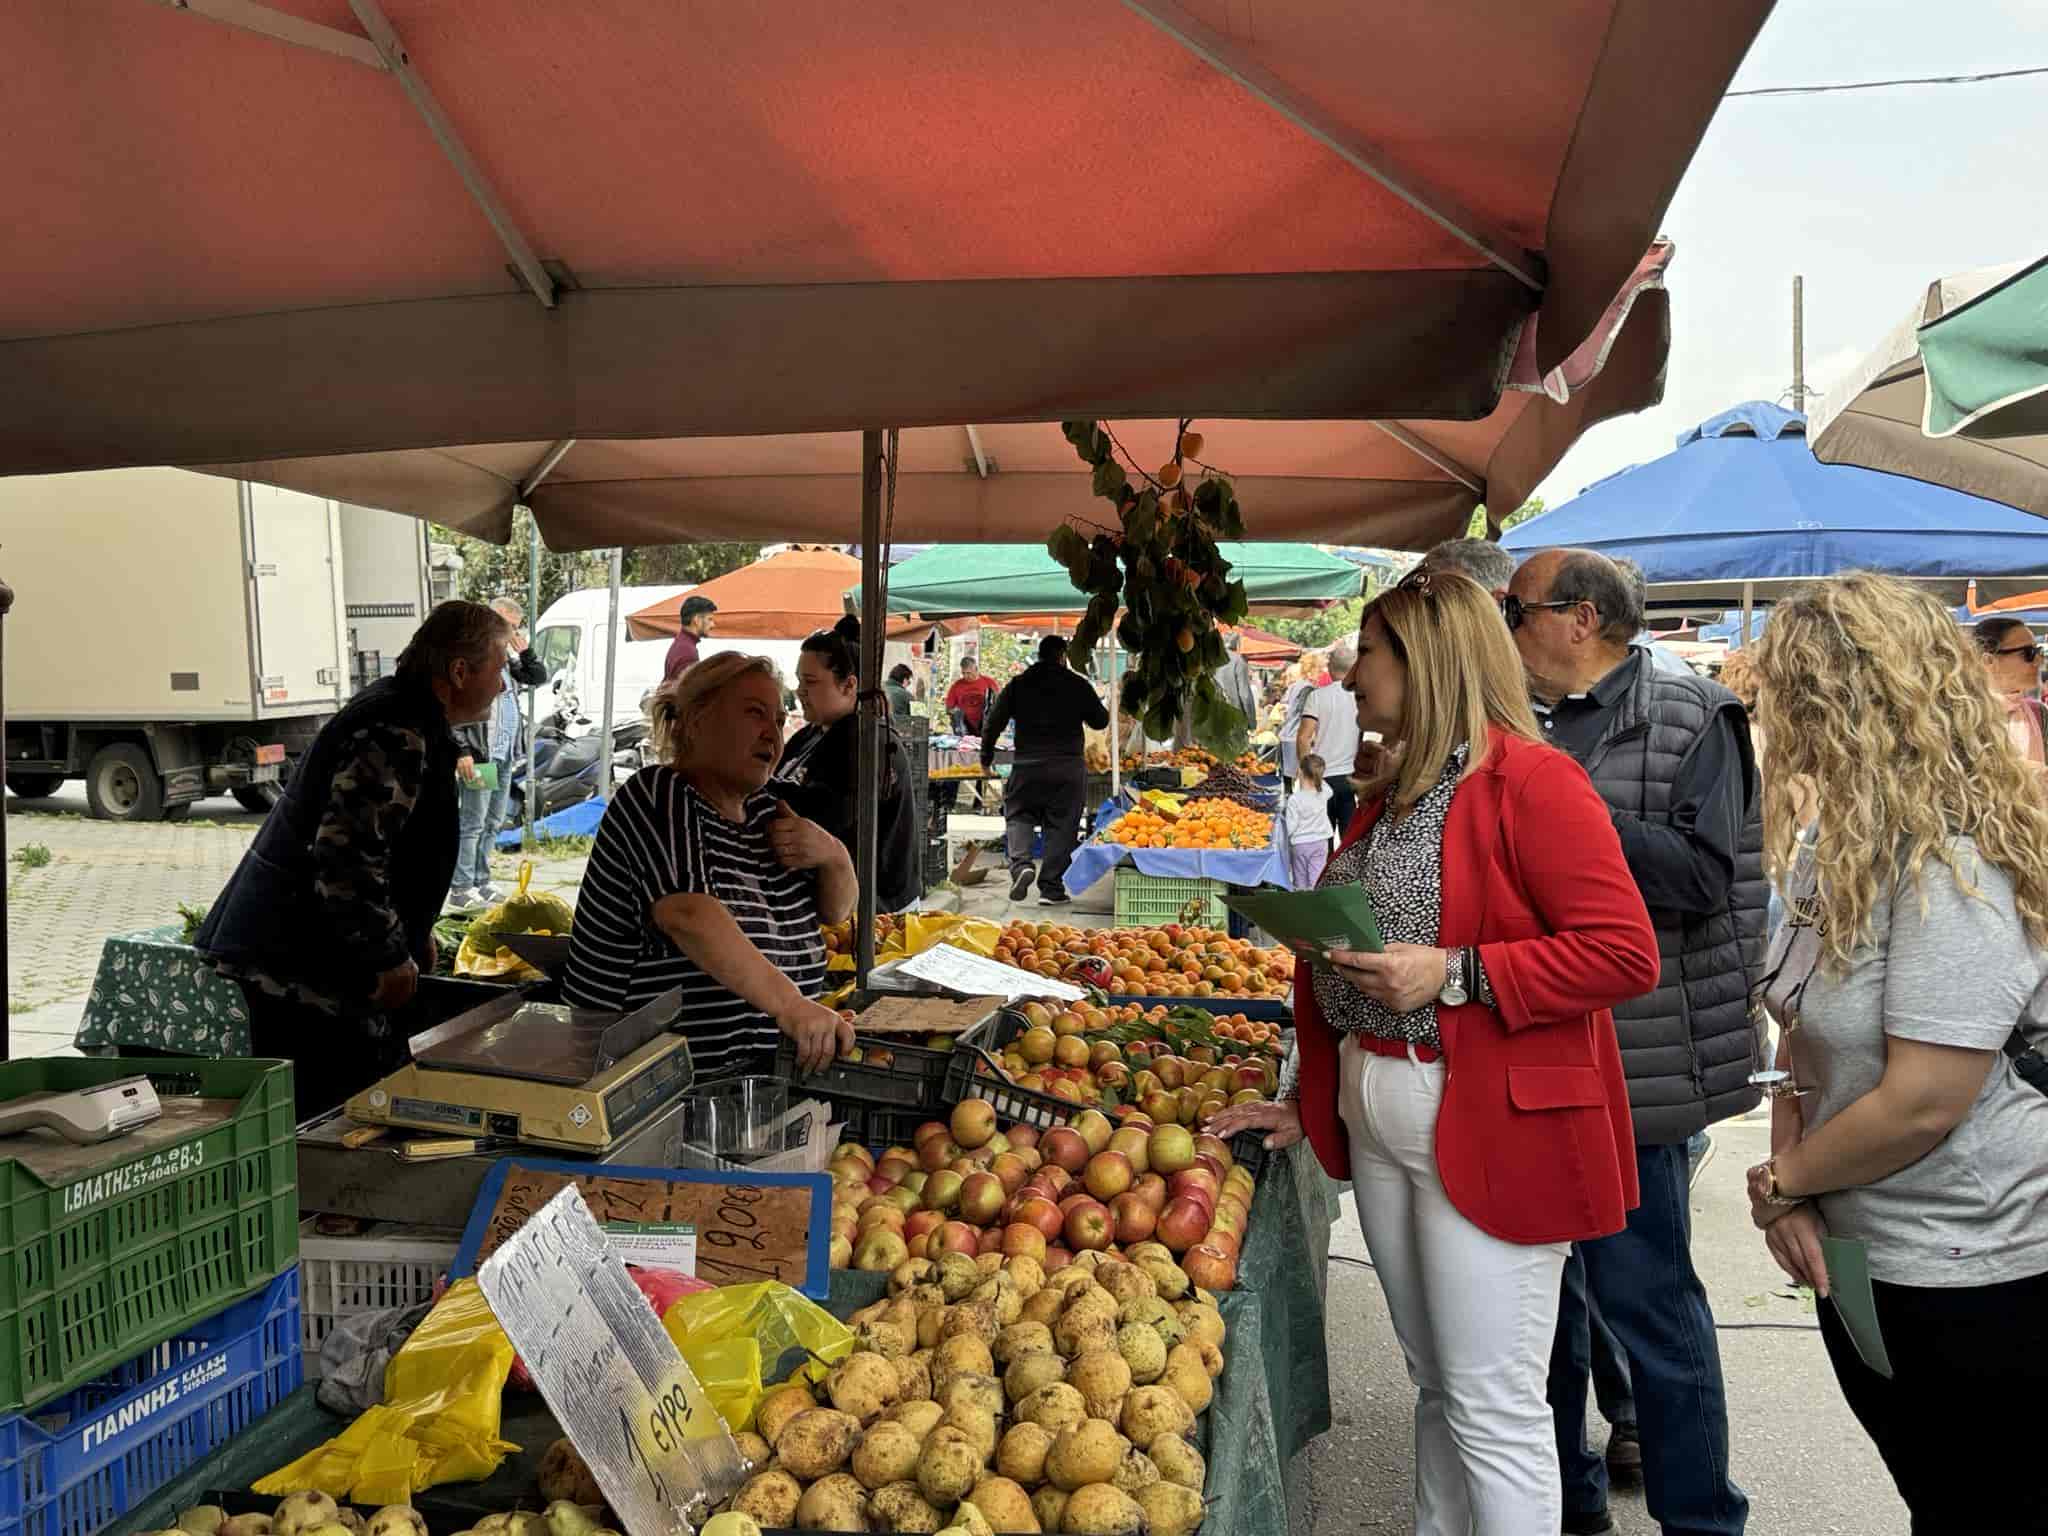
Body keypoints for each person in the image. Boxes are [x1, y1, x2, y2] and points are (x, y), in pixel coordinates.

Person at [1207, 569, 1658, 1534]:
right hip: (1383, 1108)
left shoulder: (1534, 781)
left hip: (1487, 1114)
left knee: (1493, 1407)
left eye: (1368, 652)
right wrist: (1315, 1096)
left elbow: (1623, 952)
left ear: (1427, 659)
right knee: (1438, 1385)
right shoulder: (1402, 787)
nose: (1353, 674)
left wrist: (1455, 973)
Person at [1743, 572, 2048, 1528]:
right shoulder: (1842, 838)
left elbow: (1923, 1098)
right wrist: (1797, 1179)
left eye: (1784, 700)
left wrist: (1787, 1181)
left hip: (1976, 1265)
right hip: (1872, 1247)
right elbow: (1797, 1020)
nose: (1770, 723)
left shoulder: (1955, 862)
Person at [1504, 547, 1763, 1536]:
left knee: (1647, 1303)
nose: (1506, 628)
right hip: (1533, 1046)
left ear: (1575, 618)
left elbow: (1704, 877)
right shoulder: (1517, 722)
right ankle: (1567, 1507)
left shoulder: (1693, 714)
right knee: (1546, 1315)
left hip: (1638, 1064)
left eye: (1516, 610)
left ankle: (1700, 1521)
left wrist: (1564, 813)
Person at [195, 601, 510, 1121]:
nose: (502, 685)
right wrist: (387, 953)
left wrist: (414, 928)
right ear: (459, 671)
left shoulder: (408, 716)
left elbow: (387, 845)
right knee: (326, 1120)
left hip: (314, 954)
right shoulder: (394, 728)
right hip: (301, 967)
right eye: (498, 668)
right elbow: (347, 858)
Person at [559, 652, 855, 1078]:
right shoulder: (659, 795)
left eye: (778, 718)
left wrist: (835, 856)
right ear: (697, 722)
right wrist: (790, 1004)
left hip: (752, 1084)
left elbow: (835, 911)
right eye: (755, 713)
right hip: (644, 1087)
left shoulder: (767, 812)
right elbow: (687, 913)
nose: (771, 732)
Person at [774, 618, 920, 913]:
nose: (800, 691)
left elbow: (830, 815)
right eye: (799, 680)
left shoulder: (868, 742)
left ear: (849, 685)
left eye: (811, 682)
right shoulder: (810, 735)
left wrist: (761, 789)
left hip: (874, 909)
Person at [981, 636, 1109, 905]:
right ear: (1063, 656)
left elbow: (993, 721)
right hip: (1067, 768)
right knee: (1062, 825)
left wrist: (986, 755)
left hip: (1028, 765)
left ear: (1039, 655)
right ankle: (1051, 888)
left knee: (1018, 814)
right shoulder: (1077, 684)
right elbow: (1100, 720)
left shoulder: (1019, 684)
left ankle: (1021, 866)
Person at [447, 597, 548, 912]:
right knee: (473, 821)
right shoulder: (472, 657)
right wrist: (461, 749)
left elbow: (538, 676)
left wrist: (525, 651)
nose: (510, 632)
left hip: (504, 754)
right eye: (507, 625)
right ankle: (461, 887)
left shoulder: (504, 659)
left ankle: (481, 879)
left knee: (494, 820)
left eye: (515, 627)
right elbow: (455, 708)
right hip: (480, 754)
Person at [1295, 638, 1361, 837]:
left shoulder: (1317, 697)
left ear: (1331, 668)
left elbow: (1303, 738)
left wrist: (1307, 773)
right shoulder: (1362, 697)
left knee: (1322, 839)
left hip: (1322, 777)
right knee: (1348, 840)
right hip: (1351, 776)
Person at [1971, 616, 2045, 766]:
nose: (2039, 661)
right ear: (1989, 661)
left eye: (2038, 651)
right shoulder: (1961, 718)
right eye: (2028, 653)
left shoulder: (2039, 713)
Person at [1283, 754, 1334, 889]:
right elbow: (1330, 790)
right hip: (1321, 843)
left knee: (1300, 881)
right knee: (1316, 878)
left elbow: (1291, 826)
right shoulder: (1322, 793)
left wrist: (1283, 838)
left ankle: (1301, 904)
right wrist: (1320, 779)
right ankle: (1316, 901)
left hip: (1300, 845)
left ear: (1300, 771)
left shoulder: (1295, 799)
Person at [1278, 653, 1322, 788]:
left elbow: (1283, 707)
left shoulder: (1293, 686)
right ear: (1310, 670)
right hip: (1296, 738)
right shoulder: (1309, 689)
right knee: (1301, 782)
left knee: (1286, 785)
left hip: (1285, 735)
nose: (1320, 673)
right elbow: (1307, 715)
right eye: (1318, 670)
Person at [662, 595, 718, 682]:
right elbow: (686, 693)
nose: (713, 625)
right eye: (709, 619)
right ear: (696, 620)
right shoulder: (686, 651)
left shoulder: (682, 644)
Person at [945, 653, 1000, 737]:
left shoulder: (989, 682)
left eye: (969, 673)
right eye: (963, 673)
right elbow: (949, 708)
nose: (966, 676)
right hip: (964, 728)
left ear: (976, 669)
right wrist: (956, 713)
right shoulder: (956, 686)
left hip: (986, 727)